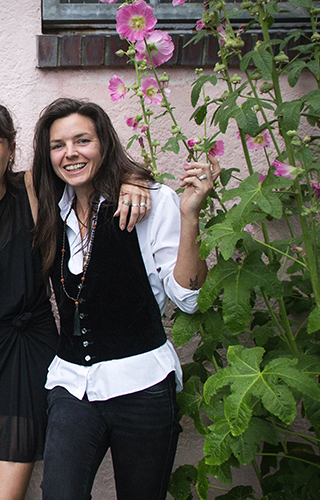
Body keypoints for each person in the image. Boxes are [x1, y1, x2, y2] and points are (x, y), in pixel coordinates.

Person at [0, 96, 150, 500]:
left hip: (29, 352)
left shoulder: (30, 188)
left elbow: (91, 171)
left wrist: (134, 179)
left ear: (10, 149)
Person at [31, 97, 219, 500]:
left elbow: (188, 297)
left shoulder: (151, 202)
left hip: (142, 385)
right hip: (72, 384)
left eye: (83, 140)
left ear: (104, 144)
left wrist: (189, 216)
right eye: (58, 145)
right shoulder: (51, 210)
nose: (71, 153)